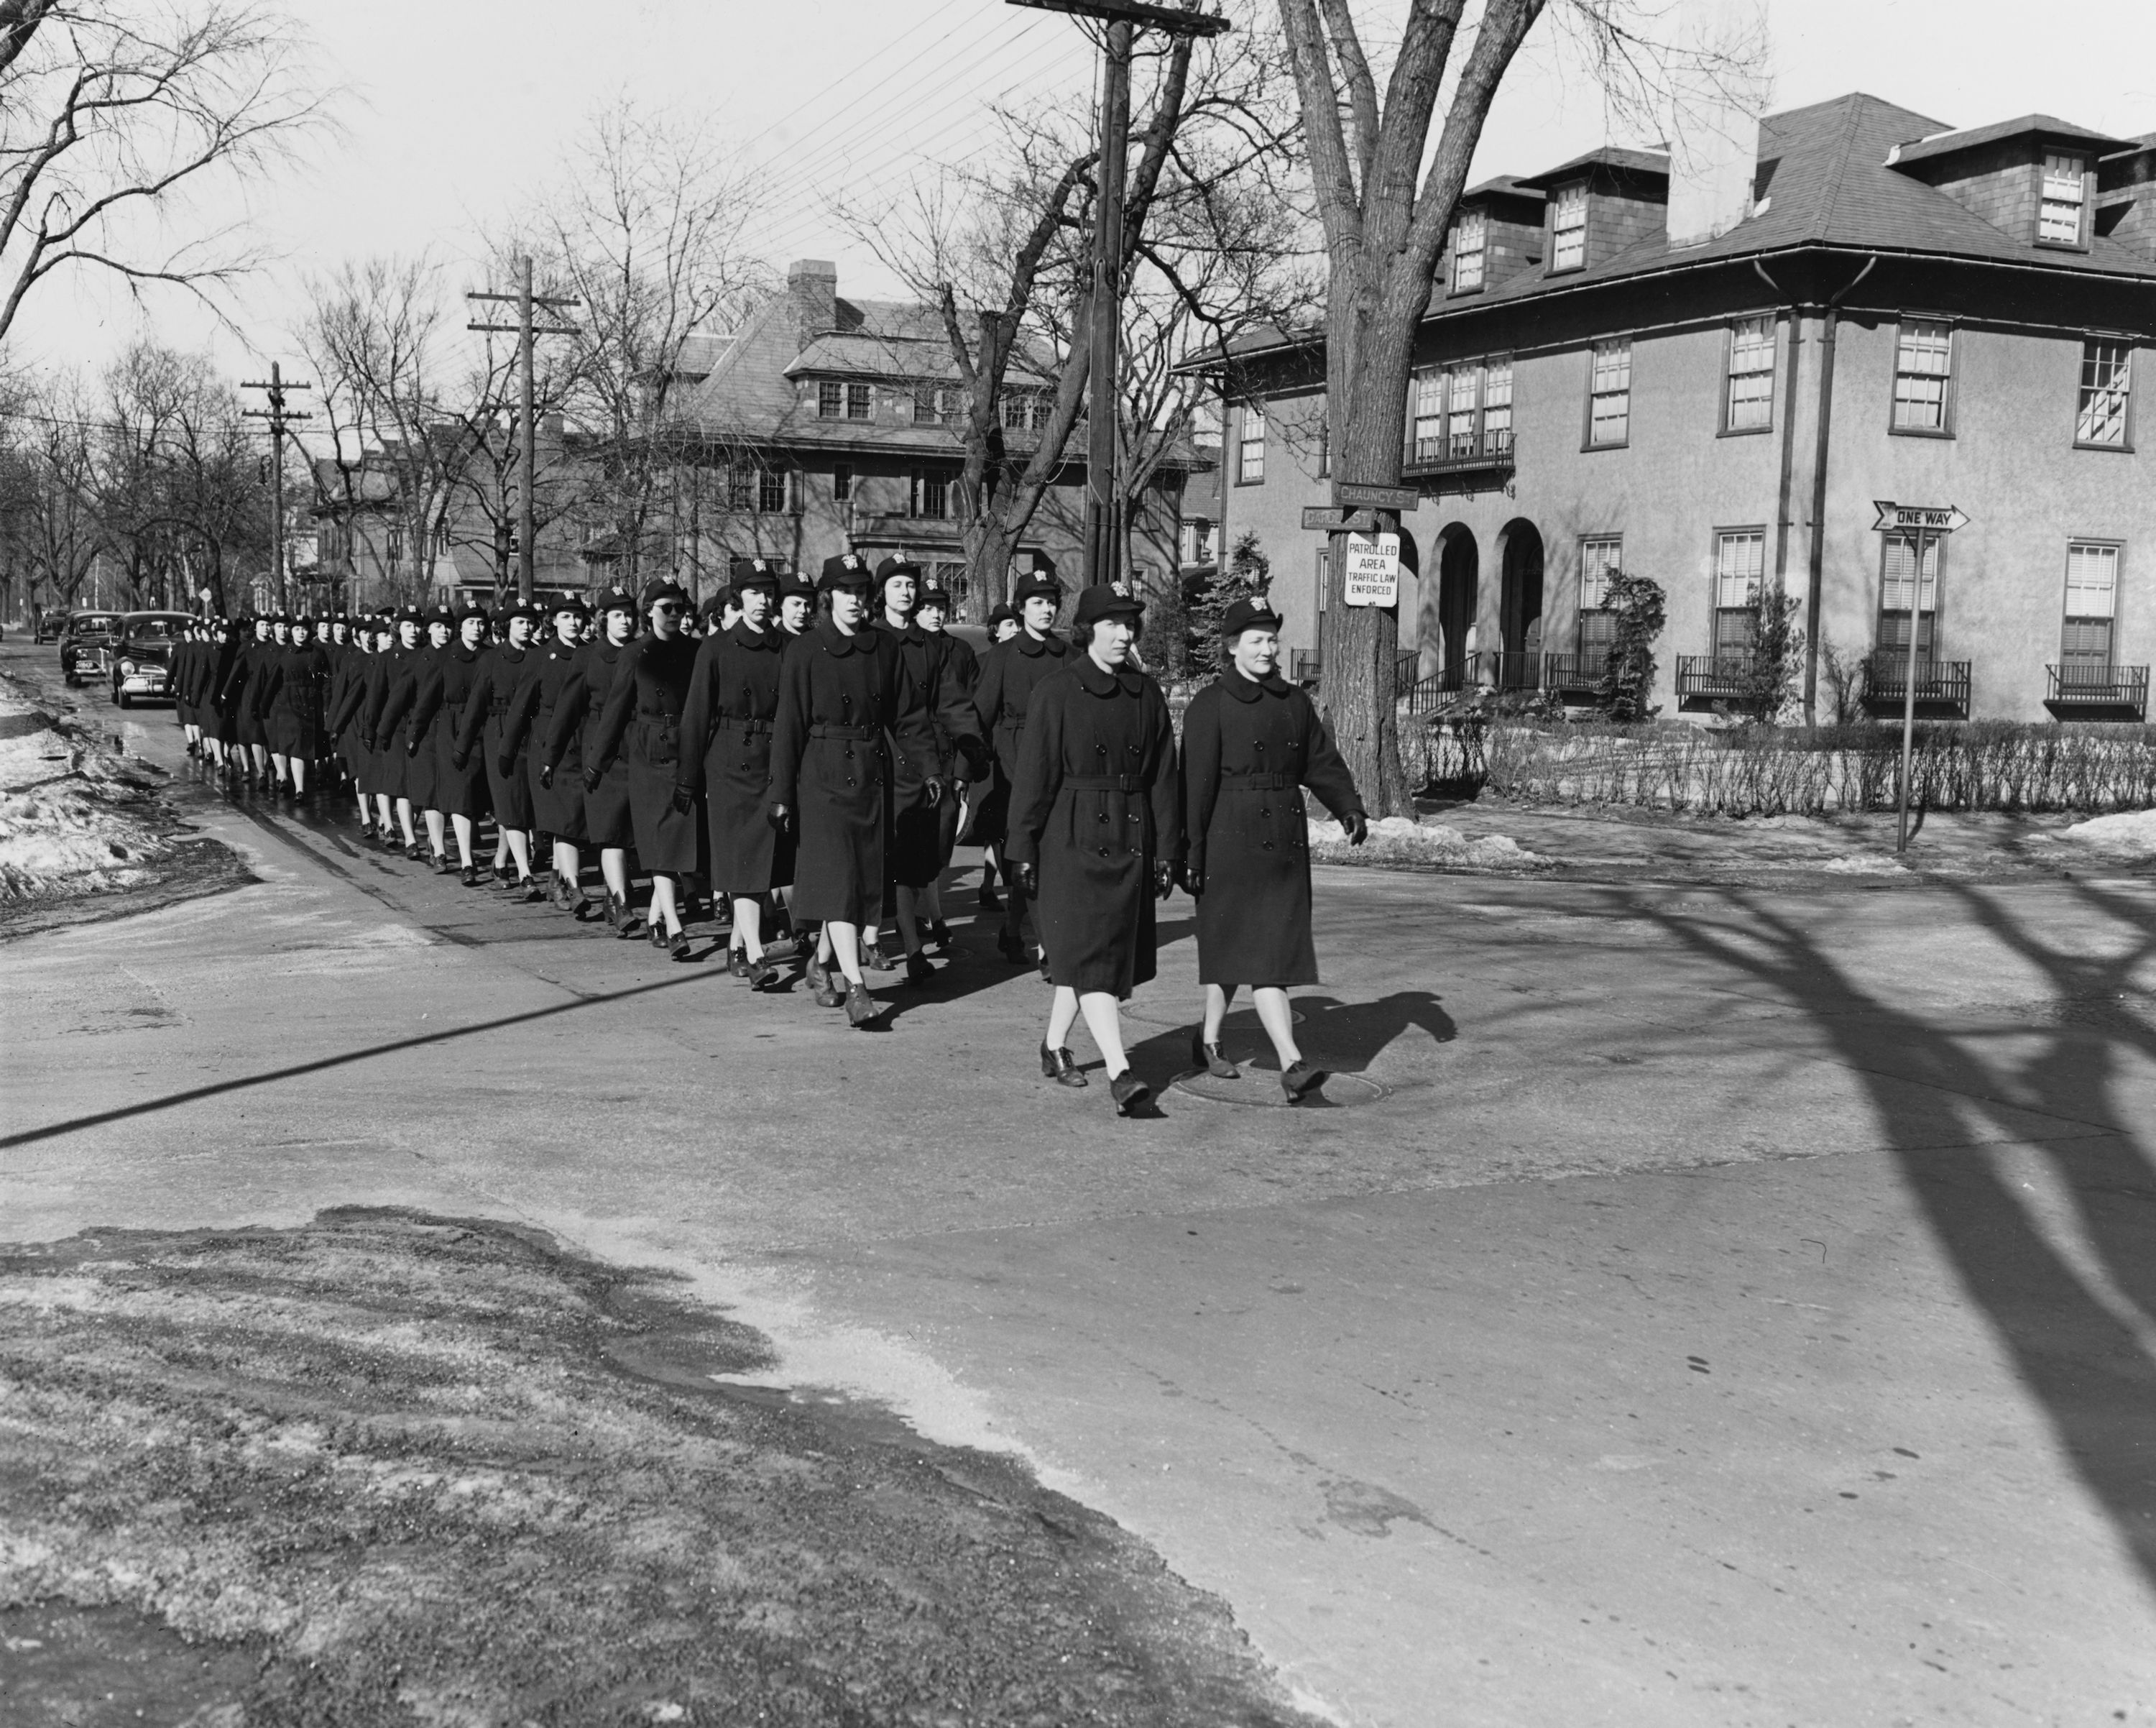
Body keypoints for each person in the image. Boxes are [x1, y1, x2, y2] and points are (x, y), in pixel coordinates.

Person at [1179, 597, 1369, 1103]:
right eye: (1257, 640)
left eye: (1272, 639)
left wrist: (1348, 805)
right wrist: (1190, 855)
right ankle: (1291, 1061)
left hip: (1283, 842)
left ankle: (1209, 1038)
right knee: (1245, 953)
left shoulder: (1293, 702)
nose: (1268, 649)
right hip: (1230, 841)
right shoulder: (1211, 705)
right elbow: (1194, 788)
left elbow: (1320, 760)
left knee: (1265, 955)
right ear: (1232, 647)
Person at [1005, 583, 1180, 1116]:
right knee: (1095, 962)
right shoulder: (1057, 691)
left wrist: (1166, 850)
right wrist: (1022, 849)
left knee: (1090, 958)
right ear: (1088, 631)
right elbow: (1034, 777)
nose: (1124, 633)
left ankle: (1055, 1046)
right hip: (1070, 839)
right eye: (1112, 624)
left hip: (1129, 836)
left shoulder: (1146, 694)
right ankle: (1121, 1071)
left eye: (1131, 624)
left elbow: (1164, 779)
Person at [766, 551, 939, 1027]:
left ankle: (820, 963)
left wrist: (929, 769)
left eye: (862, 592)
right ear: (828, 596)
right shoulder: (803, 651)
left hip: (870, 777)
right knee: (841, 882)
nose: (855, 601)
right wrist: (780, 792)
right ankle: (858, 987)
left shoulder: (883, 647)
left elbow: (908, 716)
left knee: (854, 887)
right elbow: (789, 726)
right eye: (846, 592)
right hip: (820, 780)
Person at [676, 558, 793, 987]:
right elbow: (696, 716)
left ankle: (738, 946)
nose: (762, 600)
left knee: (759, 863)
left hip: (772, 759)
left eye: (767, 592)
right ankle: (758, 955)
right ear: (738, 597)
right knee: (744, 862)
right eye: (753, 592)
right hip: (728, 763)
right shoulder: (718, 647)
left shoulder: (787, 646)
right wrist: (688, 778)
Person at [873, 557, 984, 981]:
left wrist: (971, 742)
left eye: (909, 585)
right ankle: (900, 947)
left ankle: (908, 943)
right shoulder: (871, 639)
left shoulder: (933, 646)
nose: (904, 591)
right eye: (896, 584)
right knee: (885, 859)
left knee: (918, 858)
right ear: (882, 591)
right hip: (880, 761)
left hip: (925, 765)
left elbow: (952, 702)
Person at [589, 579, 702, 957]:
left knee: (673, 841)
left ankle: (657, 916)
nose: (674, 615)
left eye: (679, 608)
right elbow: (616, 709)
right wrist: (597, 762)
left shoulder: (697, 651)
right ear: (648, 612)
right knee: (657, 841)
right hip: (648, 751)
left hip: (686, 749)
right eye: (665, 608)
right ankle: (674, 926)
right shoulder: (635, 654)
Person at [971, 572, 1068, 973]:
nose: (1046, 609)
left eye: (1051, 601)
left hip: (1062, 768)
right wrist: (965, 774)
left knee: (1049, 861)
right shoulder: (1002, 656)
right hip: (1015, 771)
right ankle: (1049, 949)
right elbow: (980, 716)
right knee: (1027, 858)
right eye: (1037, 601)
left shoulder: (1069, 655)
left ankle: (1013, 930)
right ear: (1021, 608)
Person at [542, 587, 641, 932]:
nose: (624, 621)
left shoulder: (644, 652)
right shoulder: (588, 657)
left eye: (629, 614)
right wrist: (550, 758)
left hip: (639, 748)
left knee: (630, 831)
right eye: (617, 615)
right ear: (602, 620)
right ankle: (622, 903)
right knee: (610, 830)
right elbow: (567, 711)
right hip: (601, 752)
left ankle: (617, 897)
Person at [504, 596, 592, 912]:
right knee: (564, 819)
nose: (573, 622)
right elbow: (522, 708)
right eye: (566, 616)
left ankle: (558, 878)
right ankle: (575, 887)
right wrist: (507, 750)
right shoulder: (541, 657)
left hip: (584, 742)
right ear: (553, 620)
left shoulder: (590, 653)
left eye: (578, 616)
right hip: (548, 749)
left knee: (573, 820)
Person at [456, 598, 543, 897]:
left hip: (533, 734)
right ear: (506, 627)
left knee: (520, 805)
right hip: (500, 733)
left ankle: (501, 860)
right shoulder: (491, 660)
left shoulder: (539, 656)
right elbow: (476, 706)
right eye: (520, 621)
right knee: (509, 801)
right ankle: (525, 873)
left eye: (530, 621)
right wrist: (462, 747)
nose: (527, 626)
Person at [257, 615, 331, 802]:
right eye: (297, 629)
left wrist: (327, 706)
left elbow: (326, 682)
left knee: (308, 749)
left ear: (309, 631)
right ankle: (299, 789)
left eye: (304, 629)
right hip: (289, 704)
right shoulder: (285, 653)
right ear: (292, 632)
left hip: (312, 703)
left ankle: (305, 782)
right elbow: (273, 680)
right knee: (297, 747)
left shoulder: (318, 652)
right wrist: (264, 705)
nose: (301, 633)